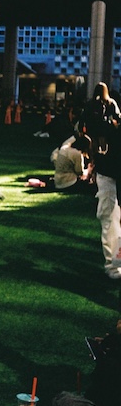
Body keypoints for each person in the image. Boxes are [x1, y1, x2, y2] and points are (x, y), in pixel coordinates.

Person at [81, 82, 121, 279]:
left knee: (110, 218)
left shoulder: (94, 107)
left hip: (107, 167)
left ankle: (114, 265)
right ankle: (114, 265)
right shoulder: (109, 108)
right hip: (108, 171)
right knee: (109, 218)